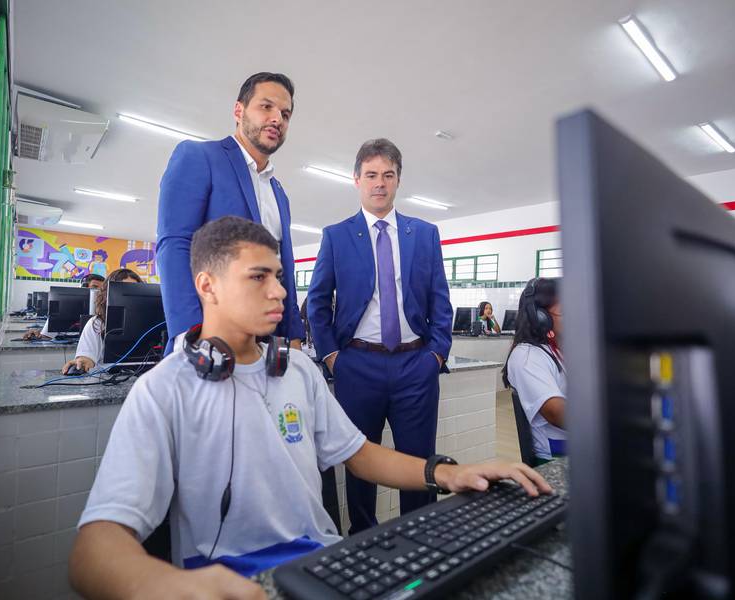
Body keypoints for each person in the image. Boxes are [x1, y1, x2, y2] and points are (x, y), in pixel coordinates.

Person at [69, 217, 550, 599]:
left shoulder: (296, 371)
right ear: (207, 285)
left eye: (278, 277)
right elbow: (92, 552)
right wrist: (165, 587)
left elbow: (358, 453)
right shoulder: (163, 390)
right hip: (226, 580)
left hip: (321, 564)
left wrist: (447, 473)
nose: (279, 291)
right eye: (258, 277)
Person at [307, 139, 454, 534]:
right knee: (360, 462)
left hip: (415, 364)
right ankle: (363, 540)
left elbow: (441, 301)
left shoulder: (424, 234)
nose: (379, 183)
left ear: (398, 181)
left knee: (419, 461)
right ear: (356, 180)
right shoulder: (337, 236)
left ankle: (420, 538)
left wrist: (436, 355)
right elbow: (317, 303)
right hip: (358, 366)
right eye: (371, 175)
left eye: (388, 175)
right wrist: (333, 357)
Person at [156, 72, 304, 353]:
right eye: (266, 106)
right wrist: (192, 332)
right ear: (239, 110)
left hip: (264, 347)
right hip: (209, 340)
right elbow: (174, 244)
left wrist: (293, 336)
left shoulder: (279, 192)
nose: (277, 119)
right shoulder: (199, 157)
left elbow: (283, 270)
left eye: (285, 114)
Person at [502, 278, 566, 461]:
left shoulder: (563, 349)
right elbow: (557, 413)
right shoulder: (527, 356)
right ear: (540, 317)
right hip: (557, 457)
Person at [60, 269, 142, 374]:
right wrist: (83, 362)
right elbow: (87, 358)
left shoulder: (153, 323)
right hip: (107, 381)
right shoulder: (97, 323)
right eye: (124, 290)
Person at [23, 273, 105, 341]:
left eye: (102, 289)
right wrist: (35, 335)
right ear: (83, 287)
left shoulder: (105, 311)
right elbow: (46, 337)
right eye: (94, 287)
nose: (99, 292)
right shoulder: (64, 307)